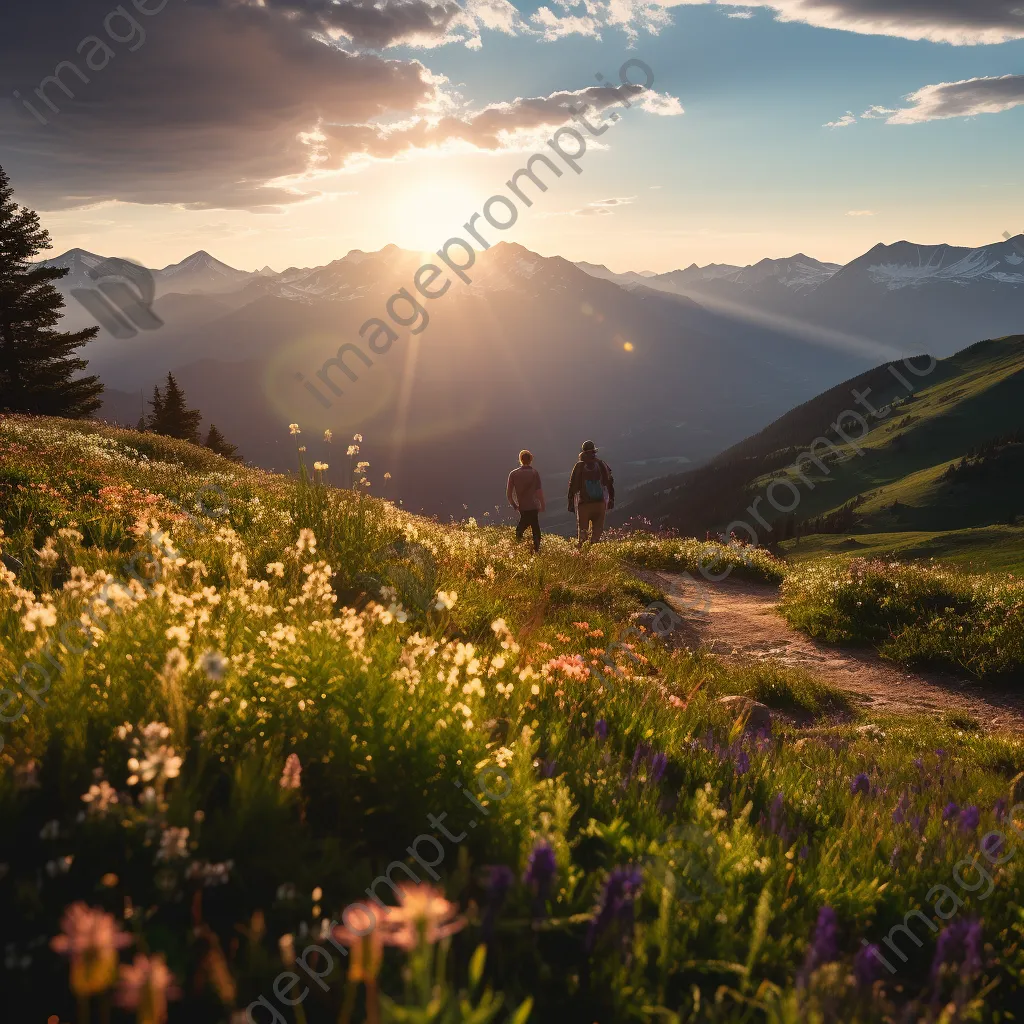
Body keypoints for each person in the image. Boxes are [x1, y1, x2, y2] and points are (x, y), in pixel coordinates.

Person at [567, 439, 614, 547]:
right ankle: (595, 554)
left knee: (583, 532)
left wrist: (570, 503)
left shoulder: (579, 466)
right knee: (597, 532)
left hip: (584, 504)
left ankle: (582, 557)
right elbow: (609, 482)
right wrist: (611, 499)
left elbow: (572, 486)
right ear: (594, 451)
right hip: (600, 503)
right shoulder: (601, 464)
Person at [507, 449, 545, 552]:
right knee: (535, 529)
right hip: (533, 506)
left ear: (520, 459)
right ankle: (536, 551)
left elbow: (509, 494)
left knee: (520, 530)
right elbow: (539, 492)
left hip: (522, 507)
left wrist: (515, 506)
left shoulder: (513, 474)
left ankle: (518, 550)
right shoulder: (534, 473)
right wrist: (542, 505)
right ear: (531, 460)